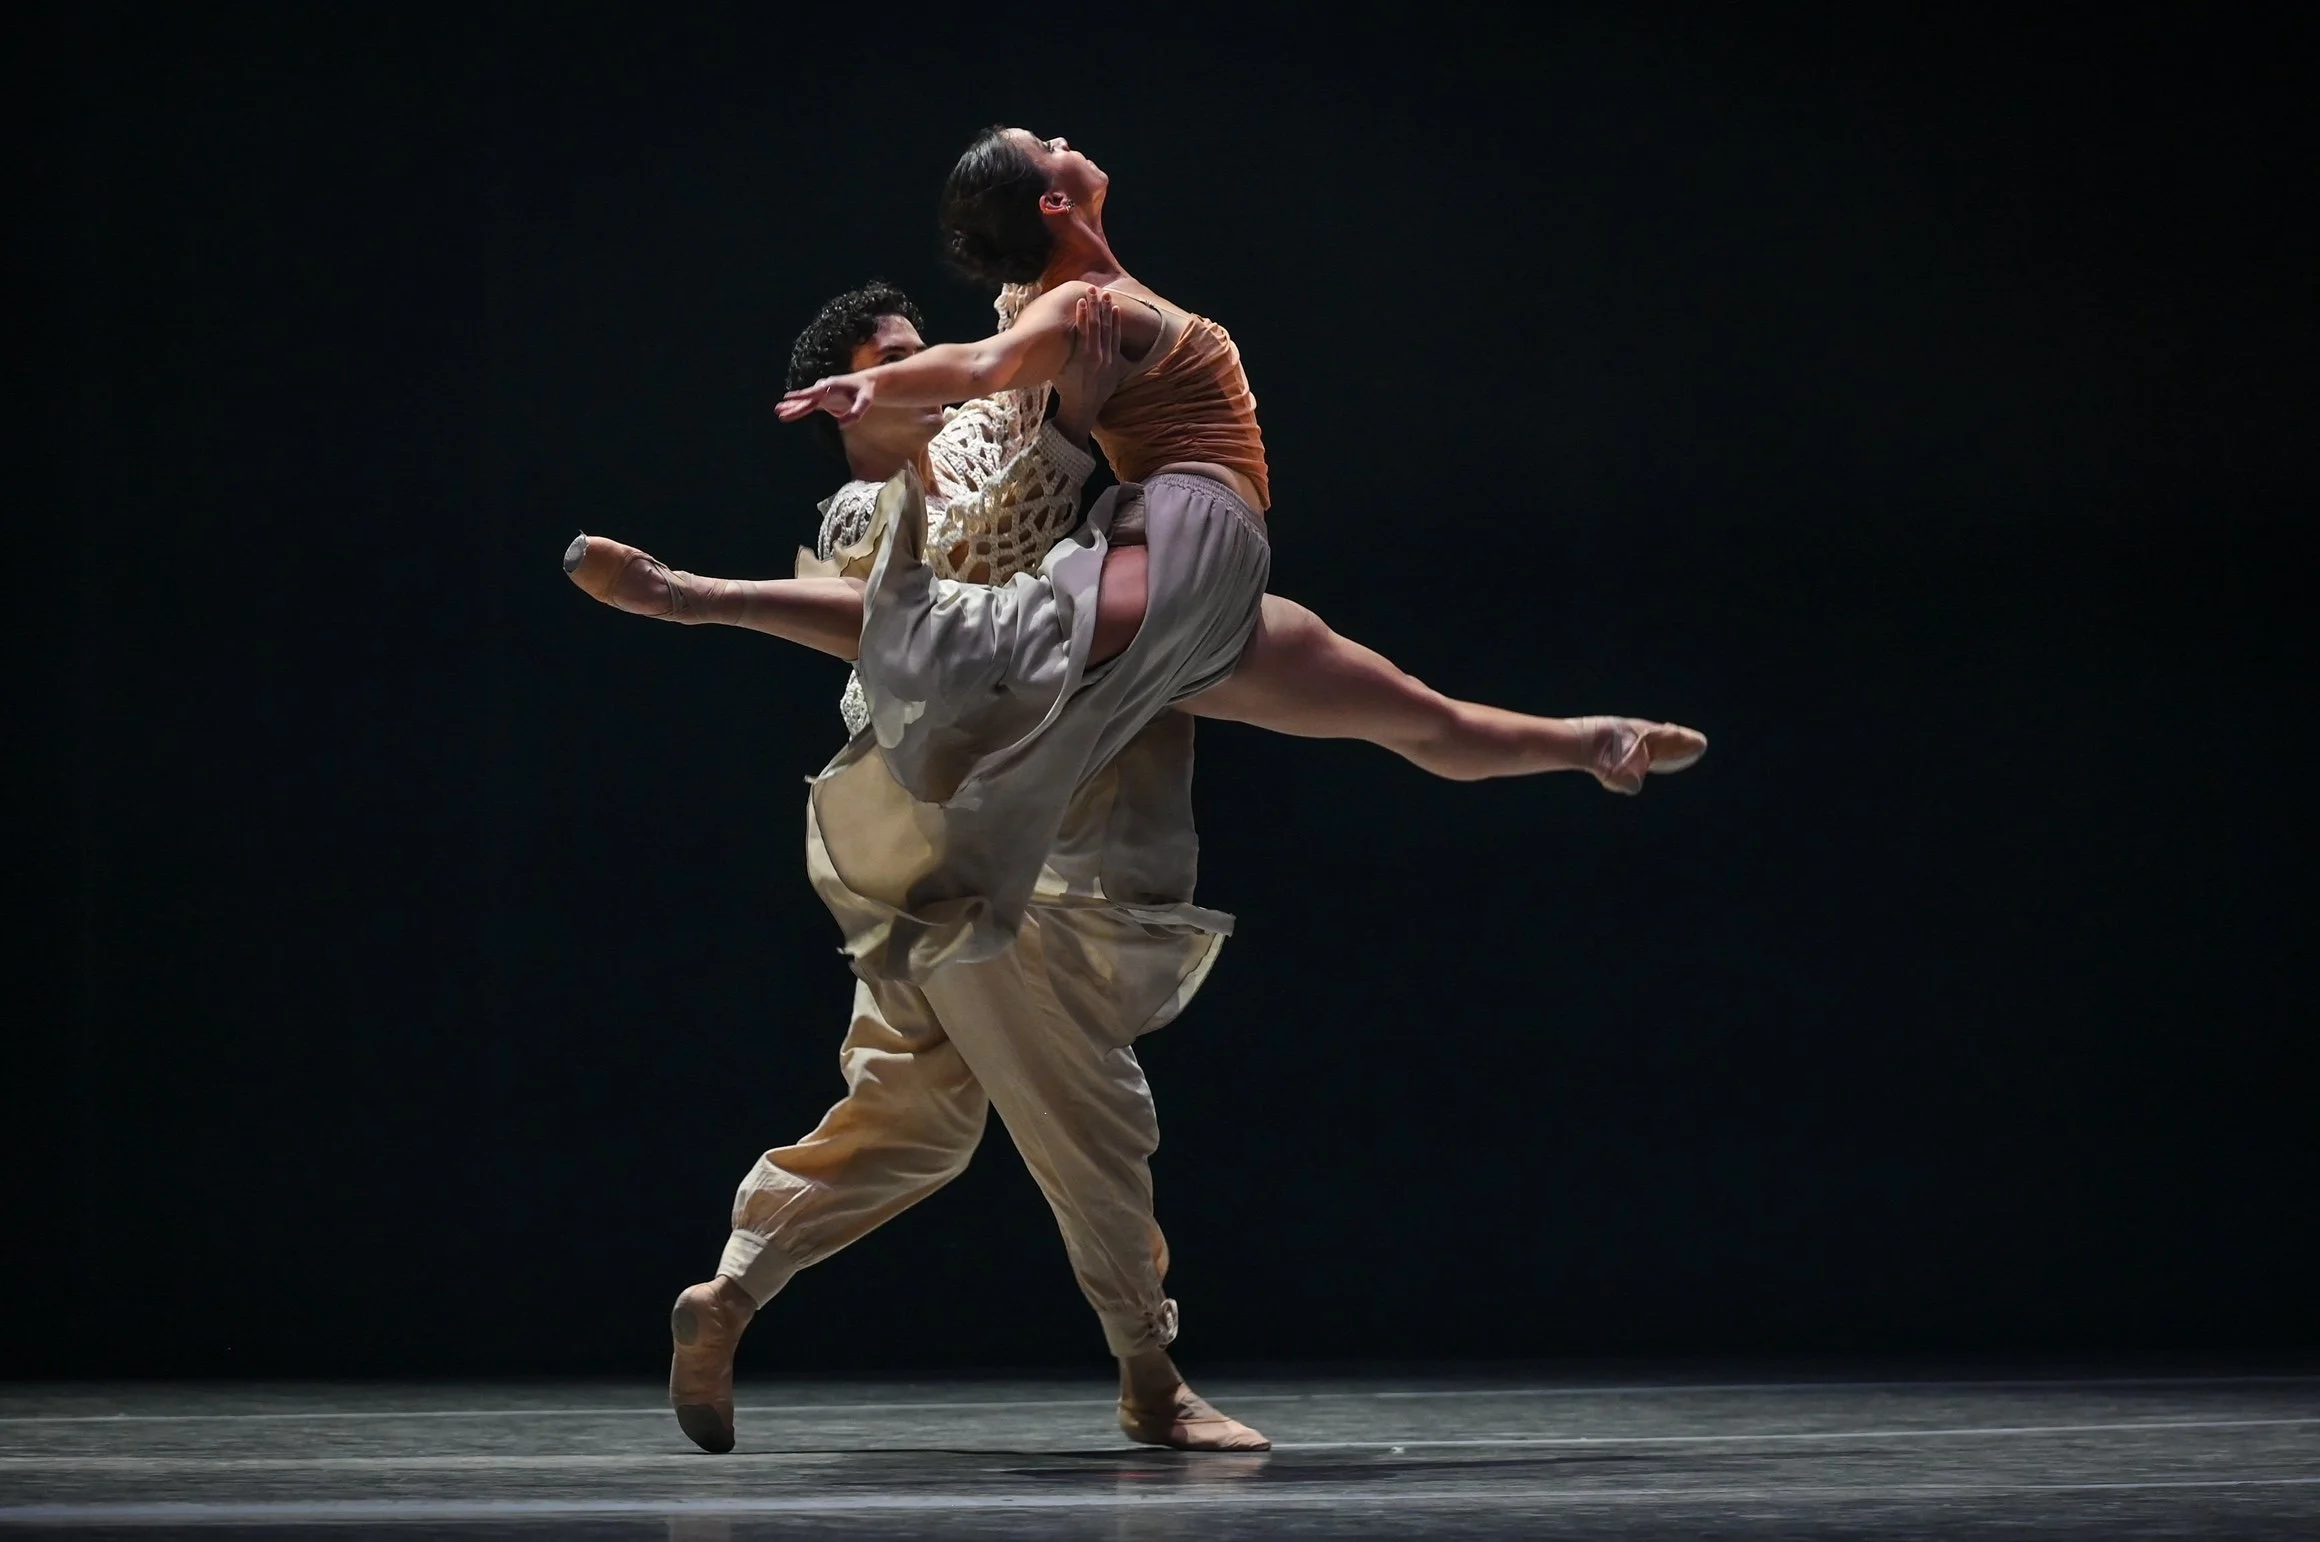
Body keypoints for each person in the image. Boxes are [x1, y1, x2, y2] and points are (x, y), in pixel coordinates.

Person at [574, 125, 1703, 982]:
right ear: (1058, 194)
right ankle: (700, 605)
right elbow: (974, 368)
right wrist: (879, 385)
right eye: (1048, 145)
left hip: (1217, 576)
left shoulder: (1074, 301)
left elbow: (989, 371)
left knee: (1410, 714)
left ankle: (1586, 743)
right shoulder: (1078, 306)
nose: (1064, 137)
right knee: (1012, 650)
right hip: (1191, 535)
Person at [658, 281, 1270, 1455]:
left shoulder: (973, 425)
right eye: (887, 365)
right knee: (1084, 1104)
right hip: (976, 827)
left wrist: (1051, 345)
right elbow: (983, 542)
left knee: (916, 1109)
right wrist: (1061, 419)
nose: (915, 375)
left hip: (939, 823)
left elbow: (1025, 370)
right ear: (846, 405)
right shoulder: (859, 514)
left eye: (912, 353)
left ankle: (731, 1288)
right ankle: (1150, 1374)